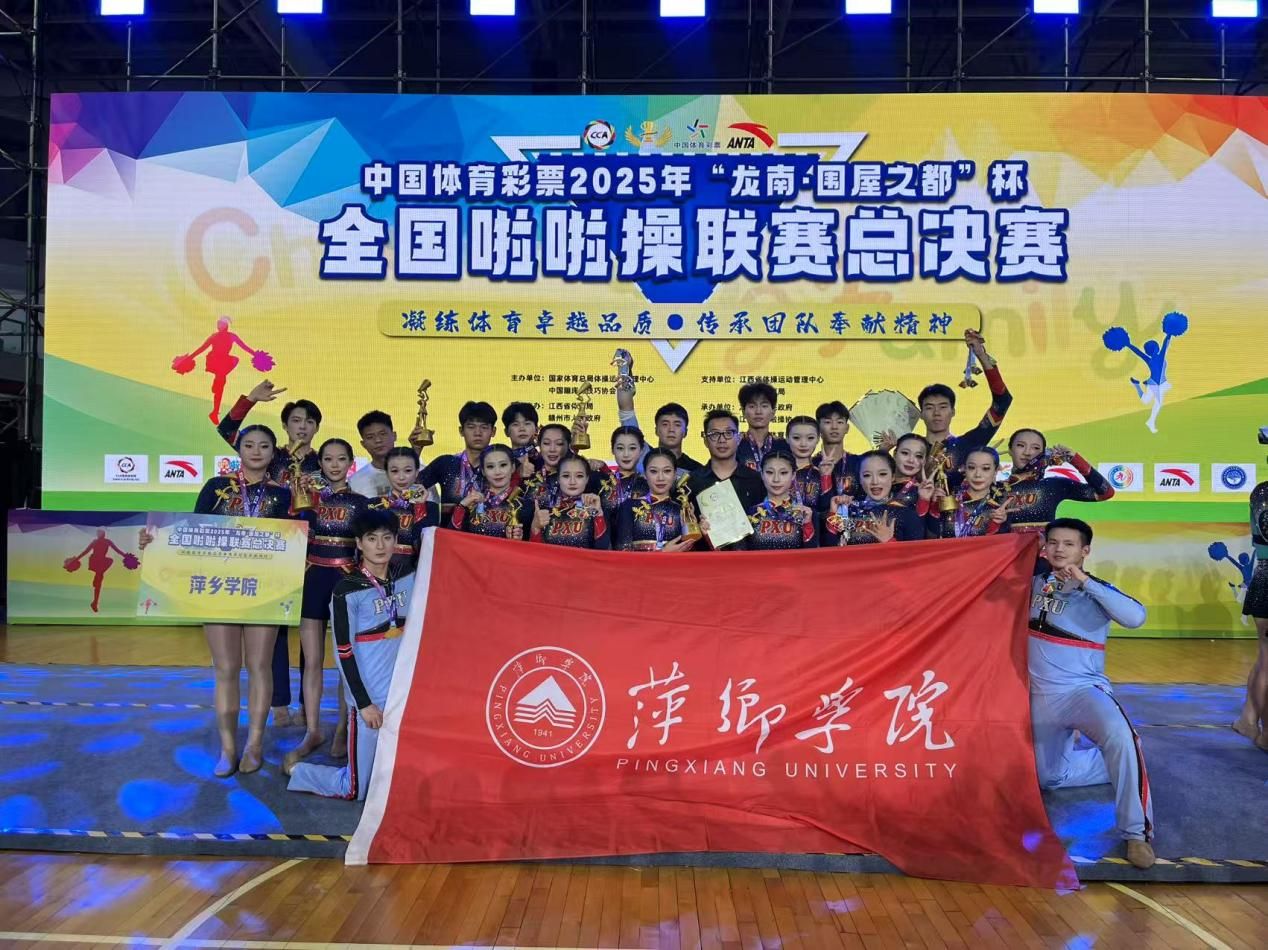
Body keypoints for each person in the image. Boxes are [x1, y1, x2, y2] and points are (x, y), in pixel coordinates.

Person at [140, 424, 292, 777]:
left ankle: (254, 745)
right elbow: (191, 530)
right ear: (239, 449)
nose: (256, 451)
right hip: (219, 587)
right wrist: (155, 540)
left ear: (273, 453)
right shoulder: (216, 487)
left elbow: (294, 541)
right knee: (225, 669)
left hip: (265, 589)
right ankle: (228, 749)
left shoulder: (284, 496)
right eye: (249, 445)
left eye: (264, 446)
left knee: (260, 666)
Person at [1028, 517, 1154, 869]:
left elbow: (1136, 617)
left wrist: (1085, 581)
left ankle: (1136, 833)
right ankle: (1112, 765)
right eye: (1053, 542)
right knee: (1049, 779)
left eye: (1068, 544)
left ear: (1085, 551)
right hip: (1041, 697)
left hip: (1083, 692)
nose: (1059, 549)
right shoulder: (1032, 584)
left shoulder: (1097, 590)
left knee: (1121, 738)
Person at [285, 508, 412, 800]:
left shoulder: (408, 576)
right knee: (356, 789)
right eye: (372, 538)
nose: (380, 546)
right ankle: (298, 770)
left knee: (399, 782)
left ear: (396, 541)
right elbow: (343, 651)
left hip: (403, 696)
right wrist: (363, 704)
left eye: (387, 538)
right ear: (359, 543)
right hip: (370, 700)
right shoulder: (346, 590)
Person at [288, 438, 371, 768]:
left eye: (341, 459)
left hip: (345, 582)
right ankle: (312, 731)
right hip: (312, 580)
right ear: (319, 463)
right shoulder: (306, 499)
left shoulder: (361, 503)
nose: (334, 465)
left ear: (351, 463)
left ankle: (341, 728)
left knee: (344, 660)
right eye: (328, 459)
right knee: (311, 661)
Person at [917, 329, 1012, 489]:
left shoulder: (969, 443)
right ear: (921, 414)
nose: (936, 413)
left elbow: (1002, 401)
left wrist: (981, 356)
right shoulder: (910, 448)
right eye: (929, 407)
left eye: (943, 407)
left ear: (953, 412)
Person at [1001, 429, 1115, 535]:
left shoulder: (1053, 485)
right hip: (1006, 550)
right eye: (1020, 445)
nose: (1027, 452)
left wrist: (1075, 459)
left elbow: (1106, 493)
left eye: (1035, 448)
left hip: (1044, 550)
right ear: (1010, 450)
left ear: (1043, 453)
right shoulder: (997, 489)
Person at [611, 349, 705, 475]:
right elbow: (625, 408)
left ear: (686, 432)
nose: (671, 430)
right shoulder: (642, 455)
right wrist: (624, 368)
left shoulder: (697, 471)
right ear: (656, 430)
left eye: (677, 424)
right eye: (665, 424)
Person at [216, 380, 322, 486]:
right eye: (296, 420)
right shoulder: (268, 454)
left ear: (317, 428)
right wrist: (251, 399)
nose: (302, 426)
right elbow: (226, 430)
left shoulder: (323, 461)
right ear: (285, 425)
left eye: (309, 422)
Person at [172, 316, 271, 424]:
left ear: (226, 326)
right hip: (214, 361)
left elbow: (245, 347)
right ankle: (215, 411)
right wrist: (188, 359)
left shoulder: (232, 336)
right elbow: (201, 349)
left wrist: (256, 355)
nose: (219, 326)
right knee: (220, 384)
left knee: (227, 374)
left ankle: (215, 411)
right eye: (218, 324)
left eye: (221, 324)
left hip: (224, 362)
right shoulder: (214, 336)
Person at [1233, 475, 1268, 751]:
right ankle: (1265, 734)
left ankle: (1248, 719)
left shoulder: (1261, 492)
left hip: (1264, 576)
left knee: (1265, 658)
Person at [823, 451, 924, 546]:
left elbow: (916, 555)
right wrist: (833, 511)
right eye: (867, 475)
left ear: (893, 477)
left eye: (882, 474)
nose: (875, 482)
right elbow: (831, 549)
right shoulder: (848, 508)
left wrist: (889, 541)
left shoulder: (907, 514)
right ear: (860, 479)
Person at [420, 400, 497, 518]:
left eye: (484, 427)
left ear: (493, 431)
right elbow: (410, 487)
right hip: (448, 529)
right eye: (471, 427)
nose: (478, 433)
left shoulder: (501, 467)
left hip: (488, 529)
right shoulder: (445, 463)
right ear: (461, 431)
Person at [686, 410, 767, 522]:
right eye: (714, 434)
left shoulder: (757, 480)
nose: (722, 440)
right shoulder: (691, 483)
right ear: (705, 441)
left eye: (728, 433)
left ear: (739, 438)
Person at [614, 449, 699, 552]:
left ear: (675, 474)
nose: (660, 478)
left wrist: (695, 531)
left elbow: (690, 554)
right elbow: (622, 552)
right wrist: (663, 553)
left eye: (667, 471)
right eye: (654, 471)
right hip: (639, 564)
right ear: (645, 474)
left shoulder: (681, 510)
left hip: (674, 563)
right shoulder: (629, 507)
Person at [371, 447, 439, 573]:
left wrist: (419, 506)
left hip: (415, 575)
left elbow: (425, 547)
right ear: (387, 473)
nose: (401, 477)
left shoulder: (431, 508)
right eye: (394, 471)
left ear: (417, 472)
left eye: (408, 471)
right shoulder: (374, 505)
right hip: (377, 574)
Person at [528, 455, 611, 549]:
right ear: (558, 479)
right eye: (566, 476)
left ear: (587, 479)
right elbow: (534, 553)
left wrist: (598, 515)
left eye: (579, 476)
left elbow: (603, 549)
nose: (572, 482)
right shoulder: (544, 508)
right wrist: (535, 528)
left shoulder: (594, 506)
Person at [744, 447, 818, 550]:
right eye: (770, 472)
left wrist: (807, 524)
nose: (776, 479)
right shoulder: (749, 513)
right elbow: (739, 554)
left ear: (793, 475)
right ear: (762, 474)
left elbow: (814, 556)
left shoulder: (807, 514)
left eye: (783, 473)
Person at [933, 447, 1013, 539]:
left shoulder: (1000, 508)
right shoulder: (949, 501)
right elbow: (929, 537)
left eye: (985, 468)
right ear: (964, 469)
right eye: (971, 467)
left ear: (995, 471)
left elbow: (1002, 545)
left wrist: (999, 523)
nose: (977, 474)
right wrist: (933, 507)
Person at [451, 444, 527, 540]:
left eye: (503, 465)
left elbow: (535, 544)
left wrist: (518, 540)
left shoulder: (524, 505)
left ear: (513, 468)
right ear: (483, 471)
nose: (497, 472)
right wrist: (462, 505)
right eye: (490, 466)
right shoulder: (472, 503)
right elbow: (451, 538)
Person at [65, 529, 137, 613]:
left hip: (102, 561)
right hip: (95, 561)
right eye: (99, 533)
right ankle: (95, 602)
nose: (100, 534)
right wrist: (75, 560)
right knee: (99, 580)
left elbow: (117, 550)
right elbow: (85, 552)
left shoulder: (107, 541)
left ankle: (95, 602)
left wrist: (127, 556)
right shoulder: (95, 542)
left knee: (100, 578)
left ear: (103, 534)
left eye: (101, 533)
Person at [813, 401, 860, 509]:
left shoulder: (858, 462)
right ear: (818, 428)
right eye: (828, 422)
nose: (834, 427)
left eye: (839, 422)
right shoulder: (812, 465)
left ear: (847, 428)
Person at [598, 426, 649, 521]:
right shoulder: (602, 482)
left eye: (632, 448)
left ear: (641, 451)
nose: (626, 454)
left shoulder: (648, 484)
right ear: (612, 450)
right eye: (620, 448)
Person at [349, 411, 397, 498]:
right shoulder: (355, 482)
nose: (378, 440)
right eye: (370, 437)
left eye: (383, 434)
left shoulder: (418, 471)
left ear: (394, 436)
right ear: (363, 444)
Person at [784, 416, 828, 510]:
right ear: (787, 438)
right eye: (796, 438)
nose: (803, 444)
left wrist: (825, 477)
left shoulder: (821, 473)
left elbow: (827, 509)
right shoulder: (775, 472)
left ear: (818, 439)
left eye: (810, 438)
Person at [736, 380, 778, 472]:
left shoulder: (784, 446)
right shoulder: (734, 445)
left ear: (773, 413)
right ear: (743, 412)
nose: (758, 411)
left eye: (764, 406)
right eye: (752, 406)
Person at [502, 401, 541, 477]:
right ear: (506, 432)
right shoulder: (500, 461)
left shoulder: (546, 460)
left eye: (527, 424)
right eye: (515, 424)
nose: (522, 429)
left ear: (536, 430)